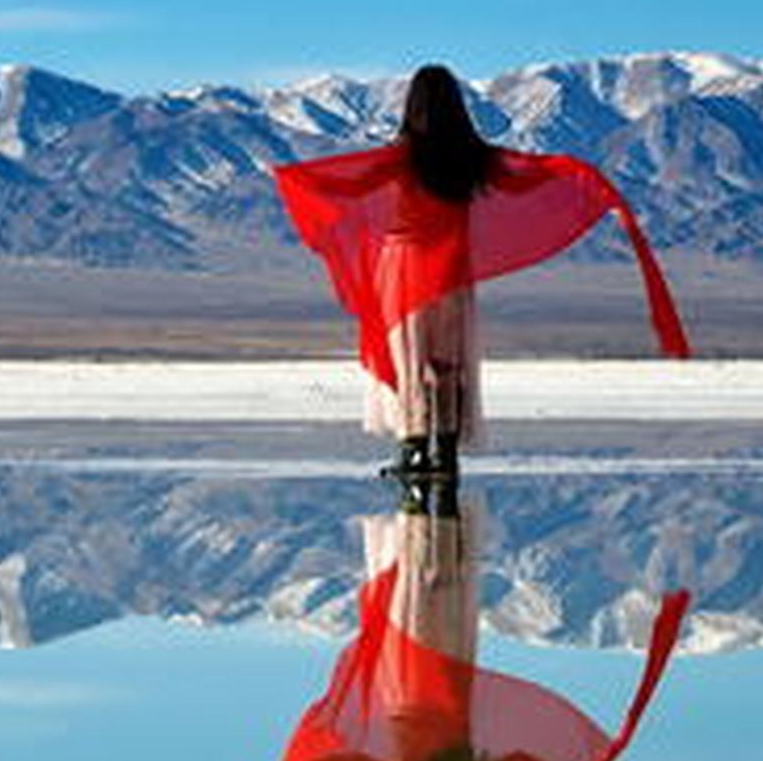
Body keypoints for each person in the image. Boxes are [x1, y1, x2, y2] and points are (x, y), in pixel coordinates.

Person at [273, 65, 692, 480]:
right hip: (453, 273)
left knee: (410, 362)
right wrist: (576, 174)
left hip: (405, 271)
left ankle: (414, 449)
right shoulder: (475, 156)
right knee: (449, 362)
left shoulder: (404, 154)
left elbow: (350, 185)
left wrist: (294, 179)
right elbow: (523, 181)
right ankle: (447, 451)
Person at [275, 497, 690, 761]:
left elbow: (519, 760)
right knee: (412, 597)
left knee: (448, 596)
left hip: (454, 683)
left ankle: (443, 507)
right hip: (405, 688)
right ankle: (414, 505)